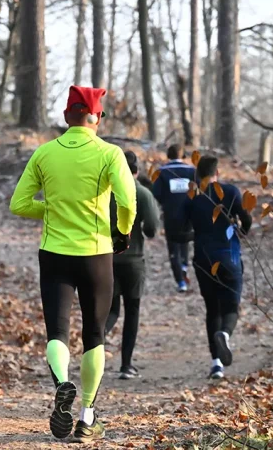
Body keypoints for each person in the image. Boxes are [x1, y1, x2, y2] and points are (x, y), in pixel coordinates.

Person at [10, 85, 136, 443]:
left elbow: (19, 204)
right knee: (94, 335)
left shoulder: (44, 154)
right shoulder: (111, 154)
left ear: (67, 116)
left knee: (57, 332)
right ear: (98, 117)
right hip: (96, 253)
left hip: (54, 253)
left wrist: (50, 209)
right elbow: (127, 202)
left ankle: (62, 383)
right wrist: (122, 233)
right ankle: (86, 419)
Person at [183, 155, 251, 380]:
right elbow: (246, 219)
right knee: (231, 307)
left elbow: (181, 228)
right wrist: (242, 230)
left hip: (203, 259)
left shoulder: (192, 197)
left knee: (212, 309)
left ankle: (216, 364)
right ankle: (225, 333)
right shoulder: (230, 192)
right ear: (217, 173)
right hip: (229, 257)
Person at [105, 150, 160, 380]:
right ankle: (126, 365)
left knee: (111, 310)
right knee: (132, 311)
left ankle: (96, 342)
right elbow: (152, 229)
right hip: (134, 260)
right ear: (136, 172)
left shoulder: (103, 193)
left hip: (106, 259)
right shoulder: (143, 193)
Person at [152, 144, 197, 293]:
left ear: (168, 156)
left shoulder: (161, 172)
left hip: (171, 214)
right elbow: (198, 190)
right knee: (185, 240)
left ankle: (180, 281)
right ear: (183, 156)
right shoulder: (192, 171)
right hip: (189, 213)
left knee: (173, 247)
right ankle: (184, 265)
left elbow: (156, 193)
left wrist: (167, 202)